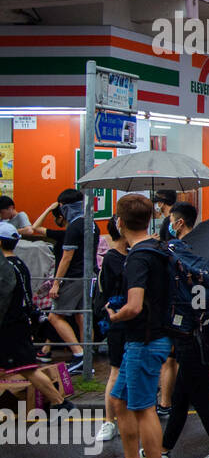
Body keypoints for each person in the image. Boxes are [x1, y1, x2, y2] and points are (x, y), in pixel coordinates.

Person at [97, 195, 174, 458]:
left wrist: (115, 315)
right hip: (143, 340)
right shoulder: (155, 247)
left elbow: (135, 305)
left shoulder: (140, 256)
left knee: (143, 408)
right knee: (119, 402)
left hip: (145, 340)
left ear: (120, 222)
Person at [156, 203, 209, 458]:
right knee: (182, 395)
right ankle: (164, 448)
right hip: (200, 333)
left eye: (169, 218)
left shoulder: (175, 256)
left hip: (191, 336)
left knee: (199, 397)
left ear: (177, 223)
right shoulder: (194, 254)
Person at [0, 224, 74, 412]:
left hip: (10, 326)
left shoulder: (5, 268)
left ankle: (60, 403)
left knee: (27, 368)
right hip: (18, 322)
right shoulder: (18, 263)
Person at [48, 188, 98, 375]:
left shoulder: (75, 225)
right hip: (88, 275)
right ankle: (87, 357)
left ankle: (79, 355)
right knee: (82, 316)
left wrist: (56, 283)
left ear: (65, 207)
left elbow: (66, 257)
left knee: (54, 316)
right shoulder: (91, 223)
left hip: (74, 277)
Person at [95, 215, 129, 441]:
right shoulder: (112, 258)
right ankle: (109, 421)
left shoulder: (136, 254)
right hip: (118, 322)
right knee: (115, 371)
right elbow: (107, 294)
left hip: (137, 322)